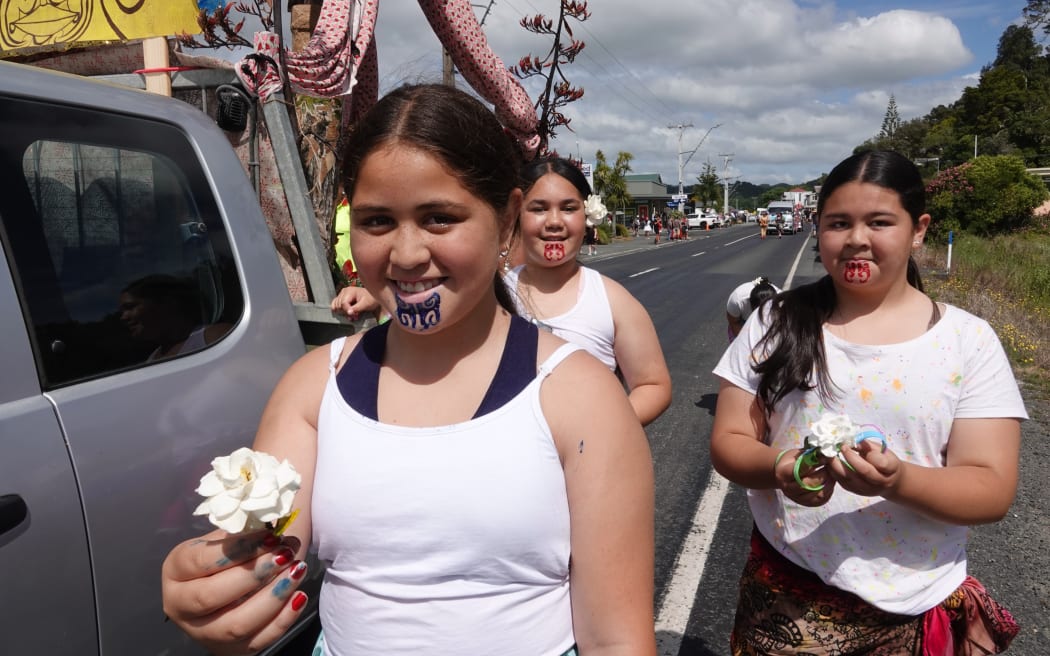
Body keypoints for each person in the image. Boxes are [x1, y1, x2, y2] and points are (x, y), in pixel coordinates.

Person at [161, 84, 656, 656]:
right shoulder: (313, 387)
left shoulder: (581, 395)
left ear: (505, 221)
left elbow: (617, 640)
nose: (406, 254)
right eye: (376, 222)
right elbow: (267, 547)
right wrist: (214, 588)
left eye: (439, 218)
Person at [710, 150, 1025, 655]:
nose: (856, 239)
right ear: (818, 229)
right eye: (838, 223)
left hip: (919, 599)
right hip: (787, 600)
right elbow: (728, 441)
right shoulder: (774, 322)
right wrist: (782, 467)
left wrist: (899, 480)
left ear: (918, 229)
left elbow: (991, 487)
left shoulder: (969, 341)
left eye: (879, 222)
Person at [502, 156, 672, 427]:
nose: (554, 221)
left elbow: (653, 385)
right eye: (538, 208)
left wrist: (601, 430)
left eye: (568, 208)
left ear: (588, 216)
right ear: (517, 216)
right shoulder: (490, 296)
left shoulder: (613, 301)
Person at [724, 275, 780, 341]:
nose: (762, 317)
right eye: (759, 312)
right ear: (751, 305)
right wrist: (743, 341)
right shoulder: (738, 300)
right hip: (742, 323)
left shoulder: (782, 302)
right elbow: (733, 322)